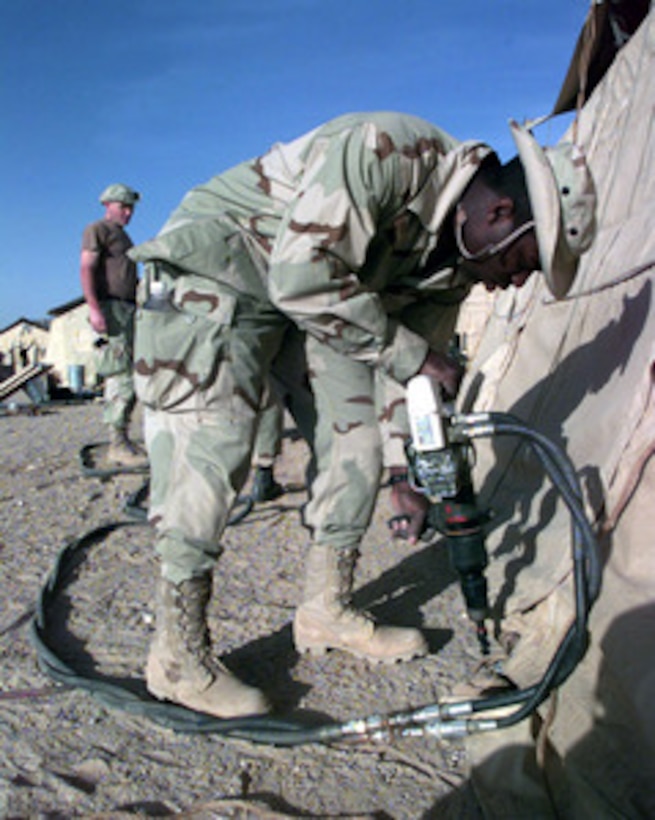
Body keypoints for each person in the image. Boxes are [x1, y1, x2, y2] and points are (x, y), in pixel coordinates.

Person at [129, 112, 596, 718]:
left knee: (356, 447)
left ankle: (325, 610)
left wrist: (408, 472)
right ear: (499, 216)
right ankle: (177, 657)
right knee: (215, 447)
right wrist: (413, 354)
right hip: (221, 274)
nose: (514, 284)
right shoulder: (389, 153)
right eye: (523, 263)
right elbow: (302, 276)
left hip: (309, 303)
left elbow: (414, 376)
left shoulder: (456, 265)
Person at [80, 183, 147, 466]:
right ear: (108, 205)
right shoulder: (99, 229)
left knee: (132, 373)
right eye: (123, 207)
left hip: (127, 308)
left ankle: (123, 439)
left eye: (131, 207)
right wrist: (95, 309)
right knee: (120, 374)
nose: (129, 212)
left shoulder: (124, 237)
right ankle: (117, 444)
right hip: (111, 307)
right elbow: (87, 268)